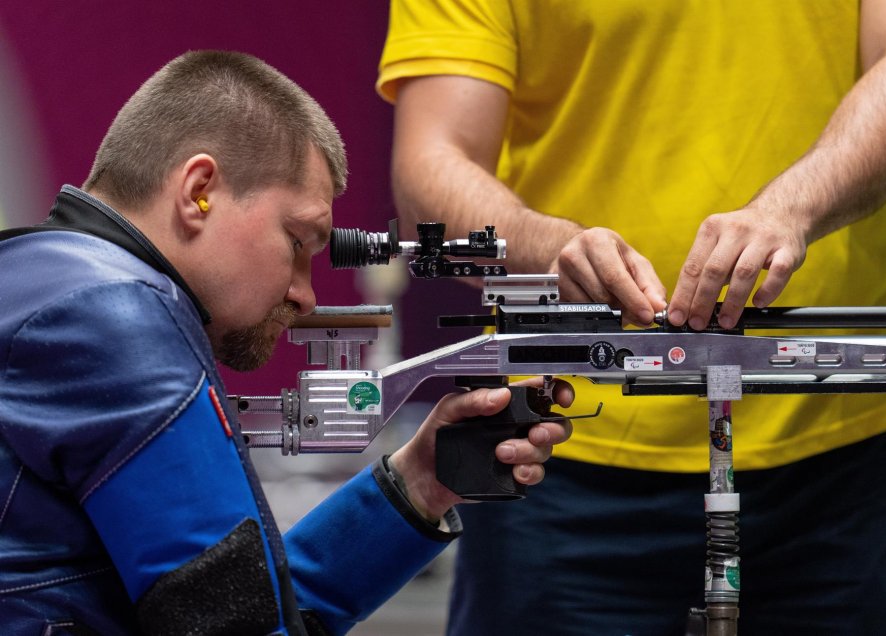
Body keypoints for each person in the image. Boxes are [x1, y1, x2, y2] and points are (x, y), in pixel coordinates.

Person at [376, 2, 886, 635]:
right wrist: (547, 247)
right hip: (556, 455)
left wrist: (791, 208)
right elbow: (430, 166)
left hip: (847, 459)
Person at [0, 50, 574, 635]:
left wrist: (420, 486)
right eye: (298, 241)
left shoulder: (33, 282)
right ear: (199, 191)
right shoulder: (116, 317)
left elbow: (245, 609)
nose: (305, 296)